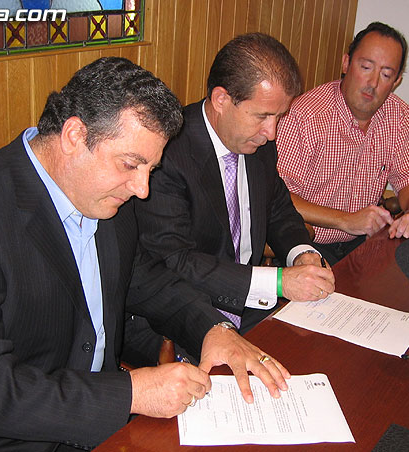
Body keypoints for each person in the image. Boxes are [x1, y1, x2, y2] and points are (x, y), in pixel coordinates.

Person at [0, 57, 291, 452]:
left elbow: (142, 278)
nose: (142, 188)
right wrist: (130, 393)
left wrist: (212, 329)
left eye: (150, 168)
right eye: (131, 164)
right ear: (75, 136)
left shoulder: (108, 194)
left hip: (101, 425)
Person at [134, 33, 335, 340]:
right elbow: (175, 261)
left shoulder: (257, 142)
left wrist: (301, 254)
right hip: (185, 317)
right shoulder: (168, 153)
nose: (271, 132)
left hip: (252, 304)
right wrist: (278, 282)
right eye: (262, 116)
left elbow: (278, 208)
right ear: (221, 100)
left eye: (279, 117)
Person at [276, 22, 409, 265]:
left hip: (364, 244)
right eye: (366, 67)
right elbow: (278, 198)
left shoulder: (399, 114)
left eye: (385, 74)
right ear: (346, 63)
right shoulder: (305, 116)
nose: (372, 82)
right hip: (307, 244)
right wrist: (346, 220)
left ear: (396, 81)